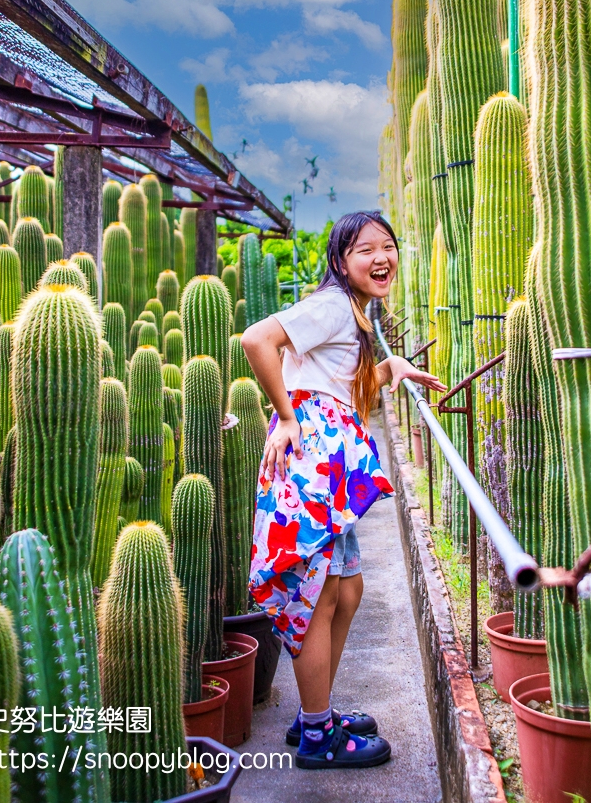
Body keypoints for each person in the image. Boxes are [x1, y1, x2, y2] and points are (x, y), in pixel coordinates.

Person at [242, 211, 446, 769]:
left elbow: (337, 389)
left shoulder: (352, 313)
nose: (381, 258)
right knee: (319, 600)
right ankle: (315, 735)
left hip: (329, 473)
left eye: (388, 246)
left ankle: (319, 711)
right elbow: (256, 339)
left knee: (346, 593)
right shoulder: (332, 305)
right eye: (365, 250)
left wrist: (391, 368)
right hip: (310, 468)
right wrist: (285, 417)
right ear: (340, 261)